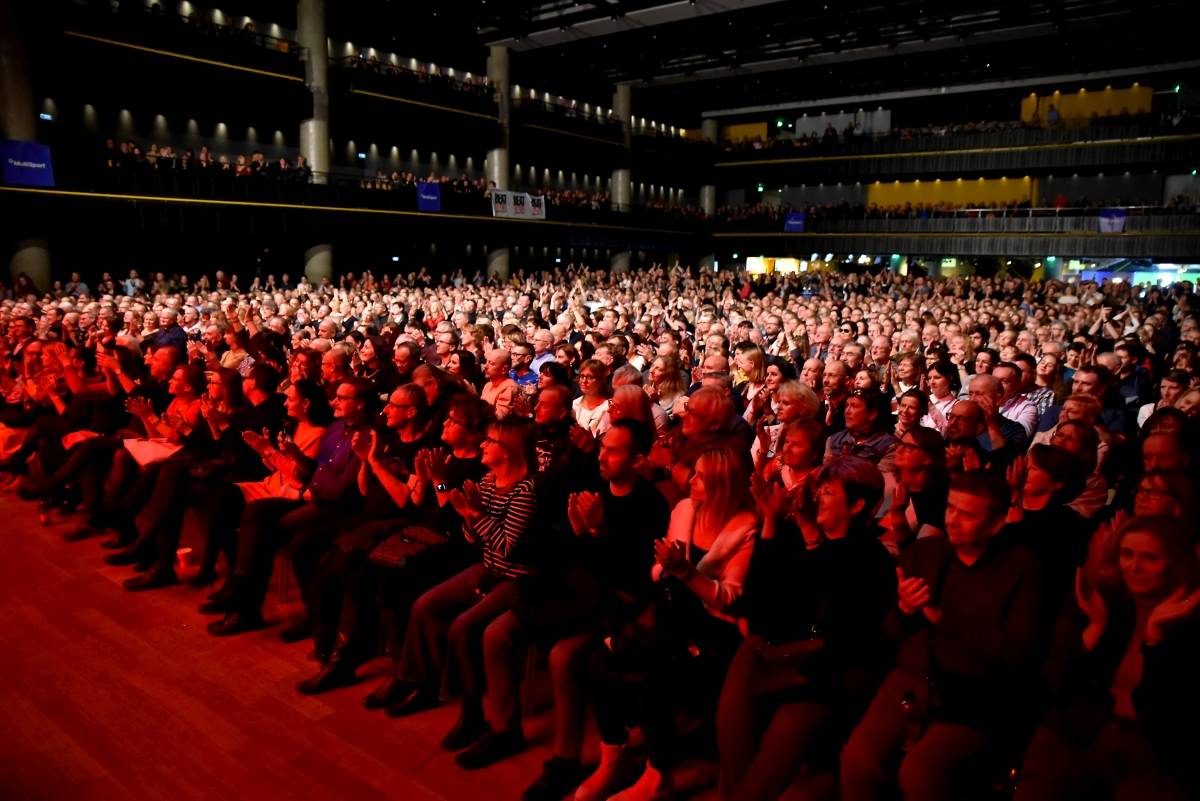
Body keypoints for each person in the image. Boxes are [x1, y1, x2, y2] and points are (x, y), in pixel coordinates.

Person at [841, 472, 1043, 801]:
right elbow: (889, 634)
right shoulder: (927, 553)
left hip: (973, 693)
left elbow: (1016, 654)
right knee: (858, 762)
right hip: (912, 680)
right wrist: (905, 611)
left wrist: (943, 621)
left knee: (921, 774)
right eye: (951, 509)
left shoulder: (1020, 568)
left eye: (967, 514)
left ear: (995, 524)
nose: (953, 520)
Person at [577, 447, 757, 801]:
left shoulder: (744, 527)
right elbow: (658, 573)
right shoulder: (685, 509)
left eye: (702, 476)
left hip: (712, 628)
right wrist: (667, 569)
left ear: (721, 485)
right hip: (670, 612)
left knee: (652, 674)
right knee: (596, 660)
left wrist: (685, 572)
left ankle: (658, 772)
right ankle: (613, 755)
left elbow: (728, 598)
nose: (691, 481)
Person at [720, 457, 896, 801]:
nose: (816, 499)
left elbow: (840, 630)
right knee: (741, 678)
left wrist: (813, 540)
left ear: (857, 505)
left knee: (784, 726)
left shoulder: (869, 558)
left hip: (828, 674)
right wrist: (770, 522)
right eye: (817, 490)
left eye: (827, 492)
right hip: (781, 657)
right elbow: (759, 603)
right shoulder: (800, 538)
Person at [386, 418, 538, 764]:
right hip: (479, 561)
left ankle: (474, 712)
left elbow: (507, 548)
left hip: (514, 577)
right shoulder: (485, 479)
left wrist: (471, 514)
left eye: (491, 441)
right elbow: (463, 528)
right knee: (425, 603)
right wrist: (457, 502)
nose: (484, 445)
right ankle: (417, 679)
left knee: (465, 626)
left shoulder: (524, 491)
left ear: (508, 450)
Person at [1016, 516, 1200, 801]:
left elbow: (1170, 719)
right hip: (1089, 730)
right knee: (1046, 758)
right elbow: (1057, 686)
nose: (1134, 567)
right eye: (1127, 554)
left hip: (1153, 749)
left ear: (1174, 563)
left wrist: (1156, 641)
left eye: (1150, 558)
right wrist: (1093, 632)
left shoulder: (1186, 620)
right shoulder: (1108, 603)